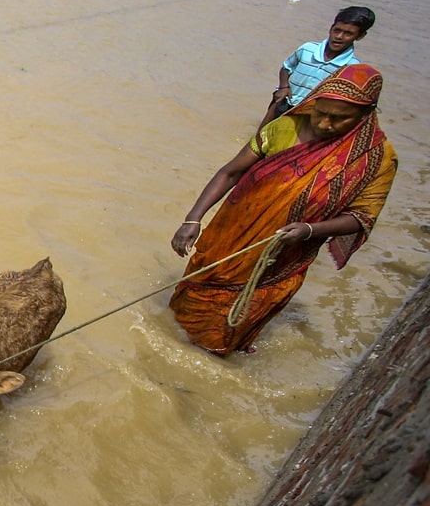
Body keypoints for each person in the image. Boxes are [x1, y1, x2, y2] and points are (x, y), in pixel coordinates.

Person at [170, 64, 398, 355]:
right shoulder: (284, 127)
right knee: (186, 307)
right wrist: (193, 219)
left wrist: (310, 231)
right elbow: (231, 172)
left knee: (228, 329)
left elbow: (362, 218)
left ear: (366, 115)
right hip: (227, 240)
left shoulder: (376, 159)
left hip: (280, 258)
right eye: (320, 112)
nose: (324, 124)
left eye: (339, 119)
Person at [257, 6, 374, 128]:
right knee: (261, 135)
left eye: (348, 33)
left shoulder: (351, 67)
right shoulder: (308, 49)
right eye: (337, 30)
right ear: (331, 28)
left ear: (360, 36)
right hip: (284, 101)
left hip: (311, 114)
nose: (339, 36)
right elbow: (287, 67)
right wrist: (283, 87)